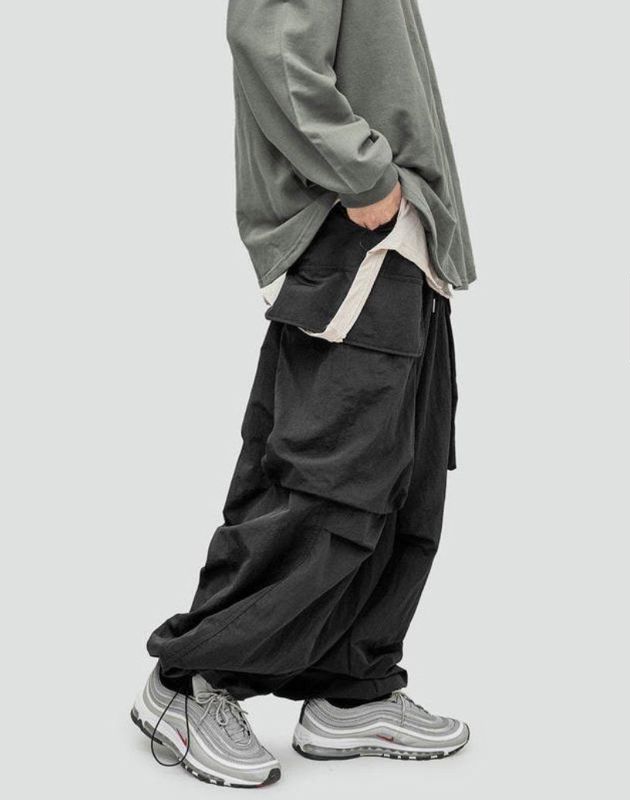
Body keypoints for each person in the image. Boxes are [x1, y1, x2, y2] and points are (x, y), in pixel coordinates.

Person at [131, 0, 476, 788]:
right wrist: (364, 177)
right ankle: (189, 682)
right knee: (325, 484)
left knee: (404, 484)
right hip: (352, 233)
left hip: (402, 241)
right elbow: (271, 44)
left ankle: (349, 688)